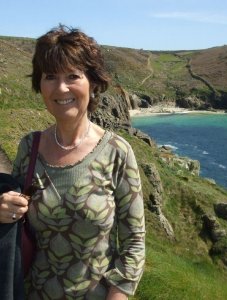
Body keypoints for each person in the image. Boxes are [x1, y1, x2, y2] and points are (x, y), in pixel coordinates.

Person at [0, 25, 145, 300]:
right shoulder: (29, 147)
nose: (61, 87)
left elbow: (133, 242)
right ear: (39, 85)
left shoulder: (118, 153)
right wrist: (3, 207)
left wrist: (118, 294)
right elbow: (14, 216)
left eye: (73, 76)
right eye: (50, 76)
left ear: (93, 83)